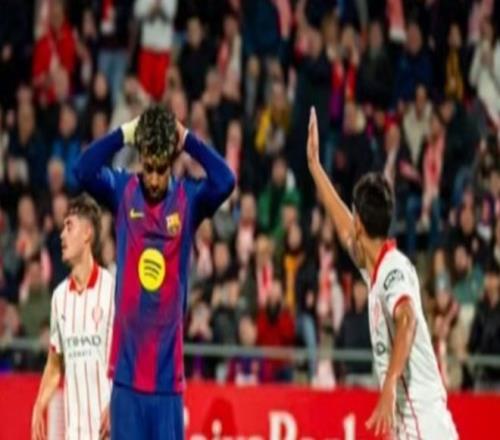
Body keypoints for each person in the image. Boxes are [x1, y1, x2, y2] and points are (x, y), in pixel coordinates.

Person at [74, 104, 235, 439]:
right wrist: (125, 133)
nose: (154, 178)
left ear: (171, 163)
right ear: (141, 160)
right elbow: (83, 170)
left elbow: (226, 180)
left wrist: (186, 138)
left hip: (167, 383)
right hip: (126, 379)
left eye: (161, 170)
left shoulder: (188, 199)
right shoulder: (123, 191)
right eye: (148, 168)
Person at [307, 107, 458, 439]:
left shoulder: (393, 271)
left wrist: (389, 385)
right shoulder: (376, 266)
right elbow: (345, 228)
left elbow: (407, 318)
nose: (351, 225)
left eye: (355, 218)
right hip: (413, 423)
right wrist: (315, 167)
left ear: (361, 224)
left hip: (423, 423)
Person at [31, 194, 115, 440]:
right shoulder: (59, 298)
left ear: (87, 233)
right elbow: (55, 364)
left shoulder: (112, 289)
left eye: (69, 227)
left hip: (111, 430)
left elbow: (131, 355)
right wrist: (39, 404)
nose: (61, 235)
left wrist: (118, 403)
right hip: (74, 433)